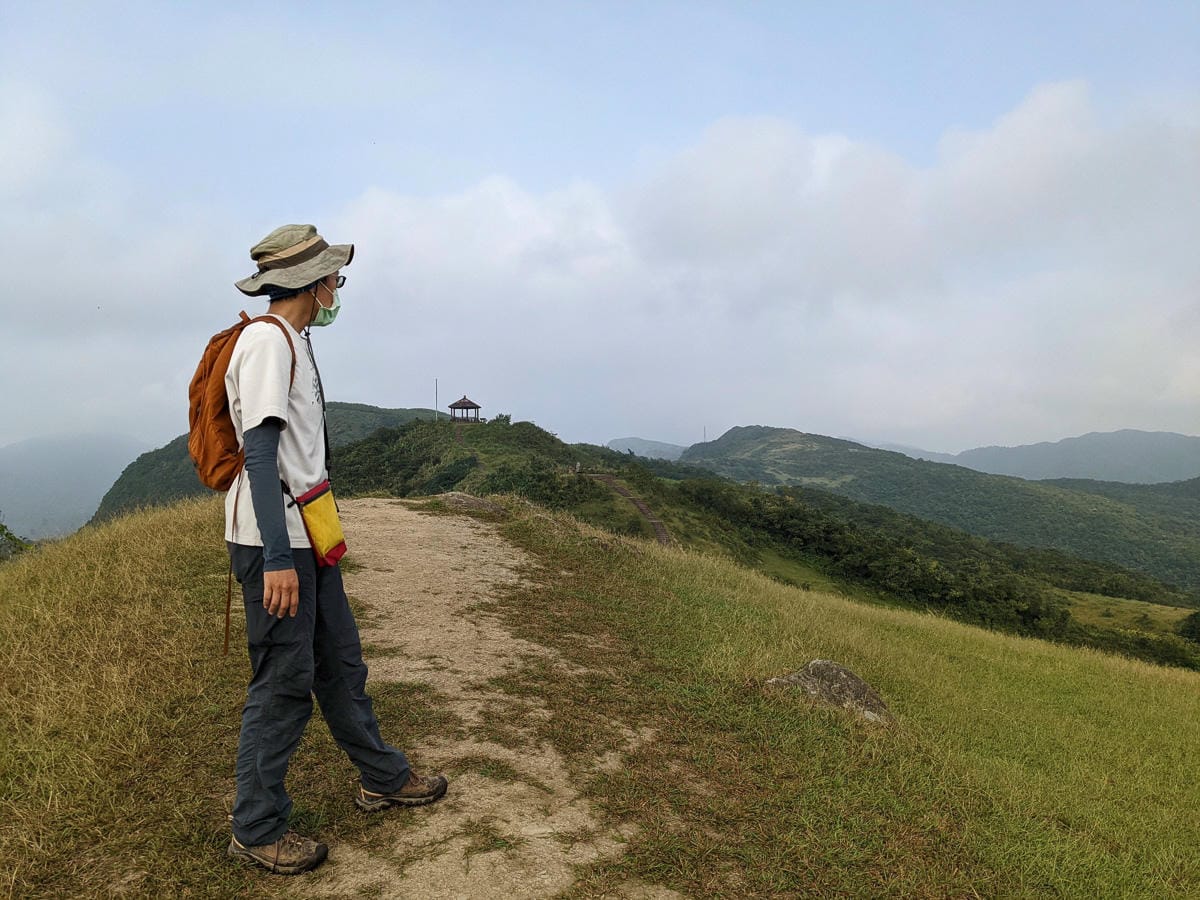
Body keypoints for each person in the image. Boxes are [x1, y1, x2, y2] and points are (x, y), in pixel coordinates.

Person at [223, 224, 447, 876]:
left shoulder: (295, 339)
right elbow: (261, 457)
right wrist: (279, 559)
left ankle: (382, 775)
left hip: (308, 535)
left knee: (340, 662)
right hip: (278, 541)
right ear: (309, 283)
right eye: (333, 278)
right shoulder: (266, 343)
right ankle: (256, 827)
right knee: (284, 684)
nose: (337, 289)